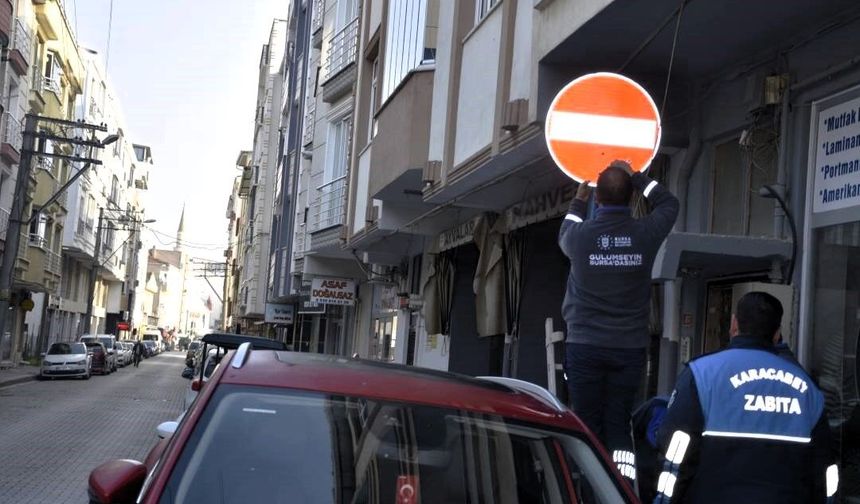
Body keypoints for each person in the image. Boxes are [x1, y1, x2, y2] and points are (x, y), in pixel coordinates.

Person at [653, 292, 838, 503]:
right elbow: (824, 467)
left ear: (734, 325)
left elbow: (675, 450)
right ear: (777, 333)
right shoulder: (806, 387)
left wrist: (664, 500)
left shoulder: (702, 374)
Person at [559, 160, 679, 482]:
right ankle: (621, 487)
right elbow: (669, 203)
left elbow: (565, 229)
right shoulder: (645, 233)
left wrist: (578, 199)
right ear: (631, 199)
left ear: (598, 200)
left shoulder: (579, 237)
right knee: (619, 423)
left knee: (585, 421)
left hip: (584, 346)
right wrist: (638, 176)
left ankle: (586, 485)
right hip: (629, 349)